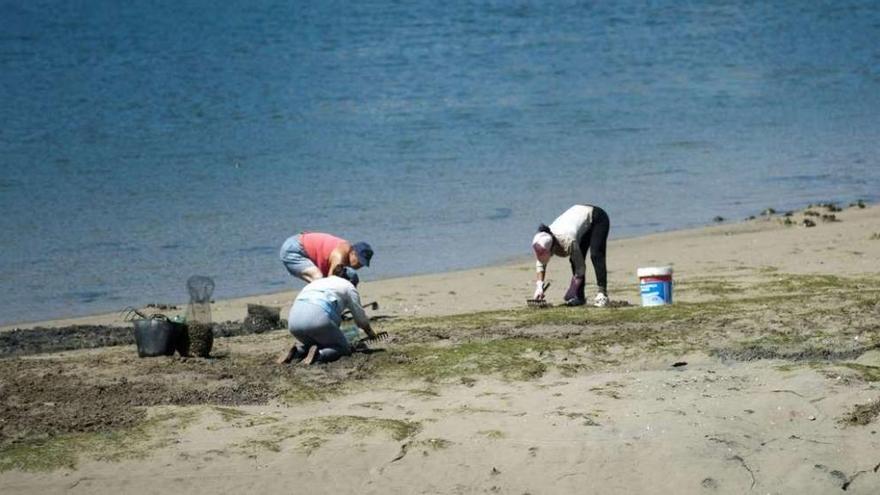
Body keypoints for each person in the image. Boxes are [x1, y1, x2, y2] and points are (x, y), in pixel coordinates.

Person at [277, 268, 378, 365]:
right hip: (317, 318)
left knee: (316, 343)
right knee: (343, 348)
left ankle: (296, 352)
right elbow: (360, 319)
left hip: (294, 322)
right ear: (353, 282)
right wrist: (370, 333)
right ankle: (319, 355)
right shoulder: (349, 286)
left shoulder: (317, 282)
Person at [531, 204, 610, 307]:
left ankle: (602, 294)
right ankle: (580, 298)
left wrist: (573, 288)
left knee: (595, 254)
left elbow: (580, 267)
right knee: (574, 259)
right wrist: (539, 286)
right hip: (579, 220)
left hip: (597, 218)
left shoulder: (568, 242)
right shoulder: (542, 239)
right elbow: (540, 264)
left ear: (553, 248)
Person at [279, 231, 373, 283]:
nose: (359, 266)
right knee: (319, 279)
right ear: (353, 253)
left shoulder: (345, 250)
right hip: (294, 250)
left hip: (300, 244)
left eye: (362, 264)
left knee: (320, 283)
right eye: (359, 262)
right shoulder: (339, 256)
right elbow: (331, 282)